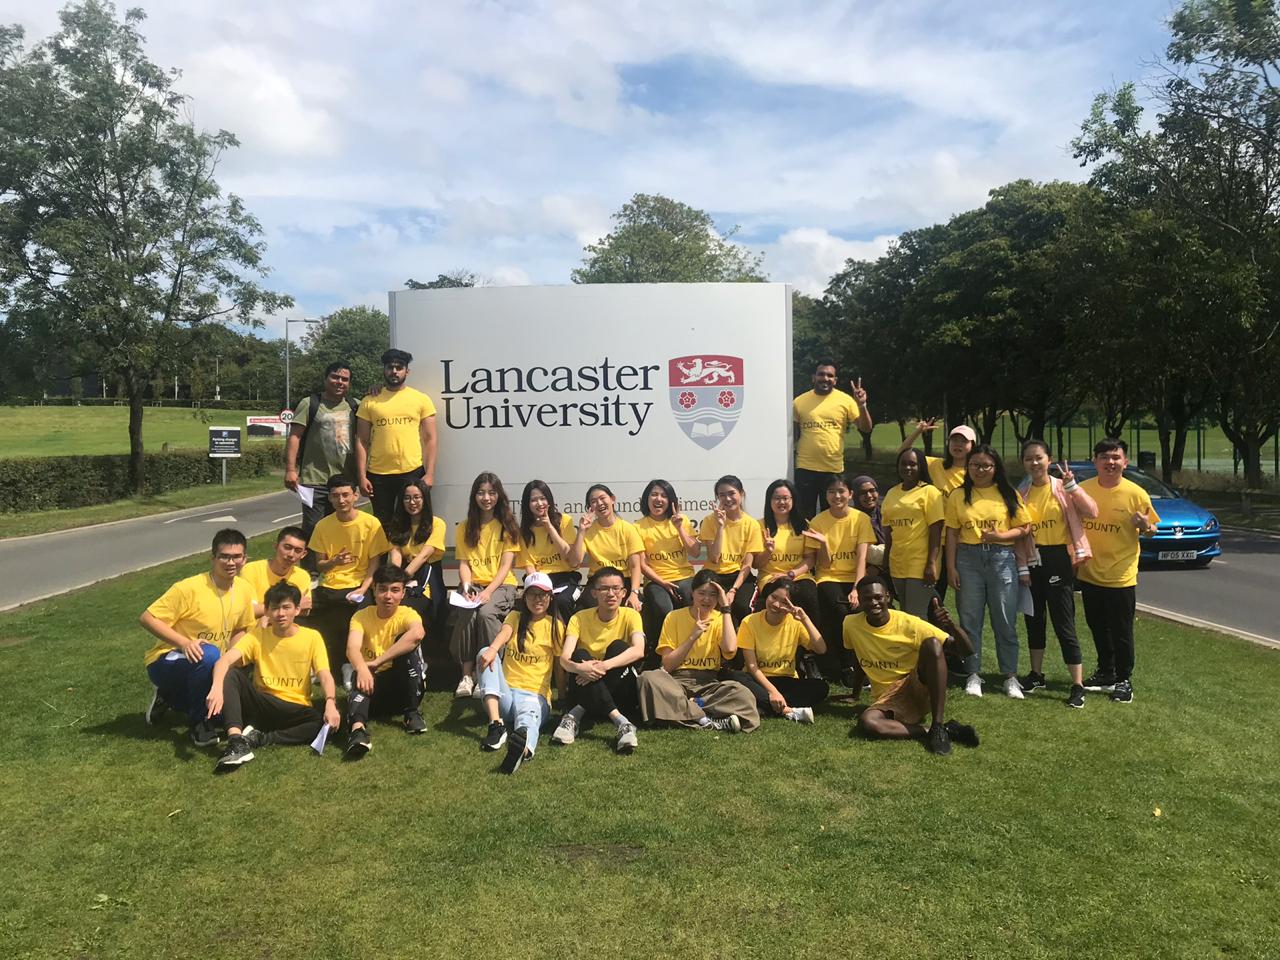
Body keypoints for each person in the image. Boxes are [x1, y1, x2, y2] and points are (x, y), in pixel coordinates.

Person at [205, 582, 340, 771]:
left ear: (297, 609)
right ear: (267, 611)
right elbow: (223, 661)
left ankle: (260, 738)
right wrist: (217, 687)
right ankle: (236, 741)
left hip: (294, 707)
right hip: (262, 702)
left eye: (286, 607)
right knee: (232, 674)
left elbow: (324, 674)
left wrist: (330, 702)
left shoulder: (312, 637)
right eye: (275, 608)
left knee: (324, 723)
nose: (280, 613)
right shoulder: (258, 636)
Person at [140, 528, 256, 746]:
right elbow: (147, 618)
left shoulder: (244, 589)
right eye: (224, 556)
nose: (231, 562)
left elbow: (241, 628)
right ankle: (198, 724)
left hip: (210, 664)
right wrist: (184, 643)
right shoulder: (189, 588)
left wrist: (230, 661)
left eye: (236, 557)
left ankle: (172, 698)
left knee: (232, 711)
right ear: (213, 558)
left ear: (244, 559)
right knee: (208, 654)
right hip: (167, 659)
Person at [843, 576, 980, 756]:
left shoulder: (910, 623)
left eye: (878, 597)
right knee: (868, 723)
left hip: (916, 686)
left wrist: (951, 626)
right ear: (859, 600)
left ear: (888, 597)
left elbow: (967, 651)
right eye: (867, 599)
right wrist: (855, 694)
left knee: (933, 644)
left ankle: (938, 725)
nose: (874, 603)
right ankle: (938, 730)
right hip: (888, 699)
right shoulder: (850, 624)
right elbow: (859, 657)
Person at [944, 445, 1033, 699]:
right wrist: (950, 567)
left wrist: (1000, 536)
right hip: (967, 559)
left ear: (995, 468)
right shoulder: (958, 495)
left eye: (986, 466)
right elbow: (951, 533)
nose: (980, 470)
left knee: (1004, 619)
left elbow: (1024, 527)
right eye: (975, 465)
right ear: (967, 467)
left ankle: (1010, 676)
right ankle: (973, 674)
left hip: (1001, 558)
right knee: (970, 620)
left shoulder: (1007, 493)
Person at [1077, 438, 1160, 704]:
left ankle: (1124, 679)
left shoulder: (1136, 493)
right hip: (1089, 573)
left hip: (1120, 575)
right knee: (1097, 626)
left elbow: (1152, 529)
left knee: (1121, 631)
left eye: (1116, 457)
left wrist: (1145, 526)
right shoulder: (1083, 490)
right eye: (1104, 457)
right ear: (1095, 461)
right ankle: (1106, 672)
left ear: (1125, 462)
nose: (1110, 462)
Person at [1017, 440, 1098, 708]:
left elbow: (1092, 511)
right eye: (1028, 459)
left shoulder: (1063, 487)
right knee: (1034, 619)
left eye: (1038, 457)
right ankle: (1036, 674)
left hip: (1058, 558)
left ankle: (1077, 685)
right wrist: (1022, 567)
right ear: (1023, 463)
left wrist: (1073, 486)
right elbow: (1019, 533)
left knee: (1064, 622)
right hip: (1033, 559)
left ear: (1048, 459)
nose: (1034, 463)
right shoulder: (1022, 492)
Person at [636, 570, 758, 732]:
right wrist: (693, 636)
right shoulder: (674, 617)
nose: (707, 599)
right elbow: (668, 665)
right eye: (702, 593)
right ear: (692, 593)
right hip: (676, 683)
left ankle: (689, 710)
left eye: (713, 595)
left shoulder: (721, 618)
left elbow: (730, 650)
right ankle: (706, 719)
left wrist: (726, 608)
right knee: (648, 678)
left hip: (708, 684)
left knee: (742, 694)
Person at [475, 572, 564, 775]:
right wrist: (492, 649)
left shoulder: (556, 626)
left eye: (543, 595)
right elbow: (504, 633)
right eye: (532, 594)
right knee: (484, 653)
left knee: (527, 720)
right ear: (524, 597)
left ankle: (522, 750)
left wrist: (562, 697)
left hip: (534, 695)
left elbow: (559, 666)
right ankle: (496, 725)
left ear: (550, 598)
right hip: (506, 695)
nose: (537, 600)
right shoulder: (515, 617)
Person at [307, 475, 391, 684]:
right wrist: (334, 562)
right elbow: (320, 566)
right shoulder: (322, 526)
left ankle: (350, 665)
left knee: (359, 614)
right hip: (330, 584)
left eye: (345, 495)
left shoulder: (371, 523)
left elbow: (375, 563)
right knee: (301, 608)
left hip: (360, 583)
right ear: (329, 498)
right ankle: (316, 663)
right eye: (335, 496)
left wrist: (363, 588)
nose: (341, 500)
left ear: (356, 495)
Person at [554, 567, 644, 754]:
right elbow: (564, 659)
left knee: (619, 647)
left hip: (619, 692)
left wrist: (604, 666)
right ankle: (622, 722)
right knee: (579, 655)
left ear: (624, 592)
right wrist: (579, 667)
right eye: (604, 589)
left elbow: (638, 650)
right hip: (586, 686)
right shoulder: (579, 618)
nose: (611, 594)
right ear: (594, 593)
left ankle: (574, 714)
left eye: (616, 588)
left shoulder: (631, 615)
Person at [344, 564, 428, 757]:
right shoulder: (361, 616)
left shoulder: (408, 614)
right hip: (371, 687)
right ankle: (358, 731)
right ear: (374, 590)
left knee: (408, 652)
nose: (388, 596)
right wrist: (363, 668)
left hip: (403, 686)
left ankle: (411, 713)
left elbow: (418, 633)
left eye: (395, 590)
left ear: (403, 593)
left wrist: (378, 661)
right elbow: (352, 648)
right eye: (382, 589)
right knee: (359, 670)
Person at [452, 472, 519, 698]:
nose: (486, 498)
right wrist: (467, 587)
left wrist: (489, 592)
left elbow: (505, 566)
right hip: (474, 585)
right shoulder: (464, 527)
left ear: (499, 496)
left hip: (501, 586)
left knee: (485, 613)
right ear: (474, 496)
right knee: (467, 613)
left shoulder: (507, 526)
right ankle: (466, 676)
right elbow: (464, 563)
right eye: (481, 493)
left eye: (491, 493)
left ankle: (488, 672)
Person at [283, 361, 357, 565]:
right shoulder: (310, 403)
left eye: (344, 379)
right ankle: (311, 573)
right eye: (335, 377)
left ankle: (338, 569)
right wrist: (290, 469)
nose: (339, 382)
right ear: (326, 379)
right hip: (314, 479)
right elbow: (295, 437)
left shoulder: (355, 405)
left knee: (342, 528)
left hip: (345, 481)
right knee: (313, 528)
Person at [355, 348, 438, 527]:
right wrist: (361, 476)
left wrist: (430, 474)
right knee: (382, 526)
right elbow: (362, 441)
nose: (394, 371)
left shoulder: (421, 399)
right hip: (378, 475)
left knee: (414, 523)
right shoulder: (369, 401)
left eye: (399, 367)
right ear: (384, 370)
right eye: (390, 367)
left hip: (412, 472)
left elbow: (430, 439)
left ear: (407, 371)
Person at [726, 578, 828, 722]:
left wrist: (805, 619)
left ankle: (761, 706)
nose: (776, 604)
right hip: (758, 680)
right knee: (735, 677)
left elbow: (821, 649)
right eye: (773, 597)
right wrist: (773, 692)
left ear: (792, 605)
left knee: (821, 687)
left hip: (786, 680)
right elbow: (752, 667)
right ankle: (788, 710)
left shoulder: (796, 623)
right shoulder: (749, 622)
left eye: (784, 602)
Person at [804, 474, 874, 685]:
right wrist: (824, 543)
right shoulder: (817, 521)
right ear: (825, 495)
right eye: (831, 492)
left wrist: (857, 588)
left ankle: (866, 663)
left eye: (841, 491)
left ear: (850, 494)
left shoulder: (861, 519)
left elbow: (862, 558)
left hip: (855, 577)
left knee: (860, 610)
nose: (836, 496)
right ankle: (846, 666)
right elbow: (824, 565)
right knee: (841, 612)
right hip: (829, 577)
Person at [793, 359, 872, 518]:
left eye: (830, 375)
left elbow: (866, 428)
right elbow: (793, 436)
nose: (825, 378)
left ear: (835, 380)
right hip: (805, 468)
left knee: (833, 515)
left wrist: (862, 405)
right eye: (821, 374)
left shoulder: (846, 400)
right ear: (813, 378)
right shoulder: (799, 402)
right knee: (804, 516)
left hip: (833, 470)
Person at [635, 478, 700, 653]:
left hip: (684, 576)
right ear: (646, 499)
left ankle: (694, 649)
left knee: (691, 601)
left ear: (670, 500)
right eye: (654, 495)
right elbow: (642, 565)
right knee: (664, 609)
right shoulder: (638, 526)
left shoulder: (681, 520)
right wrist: (663, 583)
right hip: (656, 580)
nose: (658, 499)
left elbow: (695, 552)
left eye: (663, 495)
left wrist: (679, 528)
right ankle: (663, 652)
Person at [880, 448, 945, 618]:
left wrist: (931, 564)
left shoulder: (930, 492)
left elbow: (936, 531)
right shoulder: (891, 493)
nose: (907, 468)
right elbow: (889, 531)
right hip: (897, 563)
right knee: (905, 614)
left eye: (912, 464)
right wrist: (886, 560)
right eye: (903, 464)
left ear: (921, 466)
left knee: (916, 615)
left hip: (920, 564)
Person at [698, 475, 764, 626]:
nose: (727, 499)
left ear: (741, 494)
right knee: (712, 610)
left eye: (731, 493)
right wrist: (720, 526)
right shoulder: (709, 521)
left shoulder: (752, 524)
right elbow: (714, 557)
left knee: (742, 607)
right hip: (713, 575)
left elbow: (747, 564)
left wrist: (733, 590)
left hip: (739, 577)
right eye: (722, 495)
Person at [570, 483, 644, 612]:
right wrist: (581, 531)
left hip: (623, 581)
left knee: (638, 609)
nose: (599, 503)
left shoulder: (628, 529)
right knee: (581, 612)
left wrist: (634, 593)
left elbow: (635, 566)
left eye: (602, 498)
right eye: (593, 501)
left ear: (612, 499)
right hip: (597, 583)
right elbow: (575, 561)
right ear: (590, 507)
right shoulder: (588, 531)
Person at [755, 478, 818, 623]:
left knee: (808, 596)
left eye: (785, 498)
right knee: (781, 596)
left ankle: (809, 635)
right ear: (769, 500)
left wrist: (790, 574)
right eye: (777, 498)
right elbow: (756, 564)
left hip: (798, 576)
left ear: (793, 500)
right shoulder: (759, 526)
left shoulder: (804, 525)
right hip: (770, 578)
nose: (781, 502)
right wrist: (768, 551)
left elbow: (810, 558)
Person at [517, 480, 580, 623]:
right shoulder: (524, 532)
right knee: (530, 604)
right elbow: (529, 567)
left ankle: (568, 636)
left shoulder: (564, 521)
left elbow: (570, 558)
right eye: (534, 500)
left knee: (562, 601)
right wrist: (540, 590)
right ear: (527, 504)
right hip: (538, 580)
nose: (539, 503)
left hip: (565, 578)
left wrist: (549, 527)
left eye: (543, 498)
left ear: (549, 500)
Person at [386, 479, 447, 625]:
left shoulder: (437, 523)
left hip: (427, 575)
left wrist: (401, 579)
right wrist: (396, 580)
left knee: (407, 609)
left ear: (425, 499)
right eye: (407, 498)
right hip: (403, 573)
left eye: (416, 497)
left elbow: (424, 556)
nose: (412, 502)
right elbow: (396, 554)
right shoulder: (396, 525)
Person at [239, 526, 313, 620]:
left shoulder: (302, 576)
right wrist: (292, 606)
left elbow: (305, 609)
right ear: (276, 546)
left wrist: (264, 610)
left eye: (297, 551)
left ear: (303, 554)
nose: (291, 554)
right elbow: (248, 610)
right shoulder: (251, 570)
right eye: (287, 547)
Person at [897, 421, 975, 495]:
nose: (958, 444)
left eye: (964, 441)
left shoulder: (974, 473)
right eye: (954, 440)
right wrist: (918, 432)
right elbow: (902, 453)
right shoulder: (935, 464)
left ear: (972, 445)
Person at [851, 474, 889, 576]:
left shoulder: (887, 513)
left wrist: (879, 567)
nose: (869, 496)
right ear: (855, 496)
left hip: (892, 566)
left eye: (872, 490)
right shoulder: (851, 519)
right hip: (862, 570)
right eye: (863, 493)